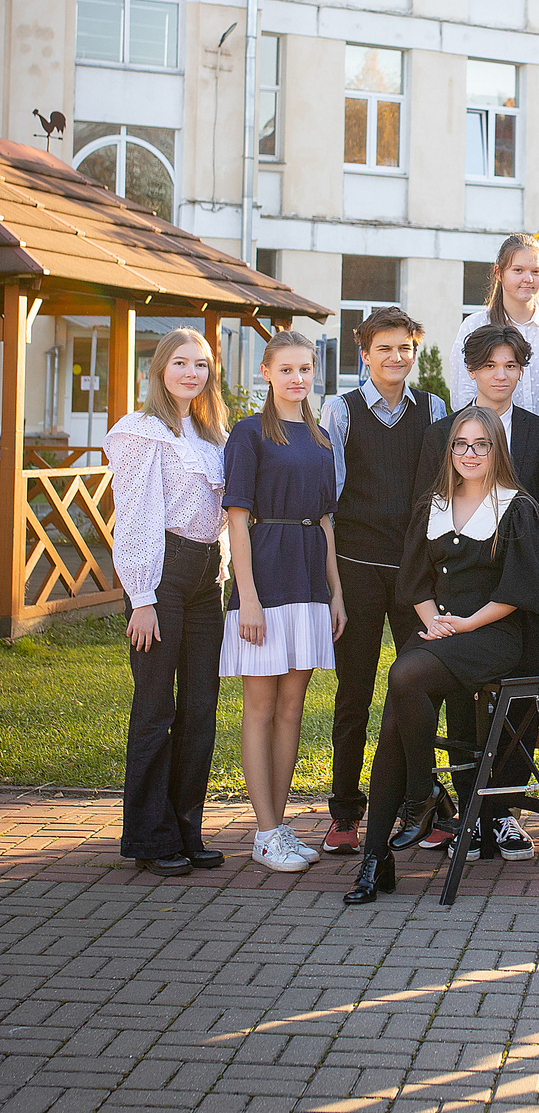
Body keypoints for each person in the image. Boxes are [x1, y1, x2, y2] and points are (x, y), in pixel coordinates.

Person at [341, 406, 539, 905]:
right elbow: (414, 579)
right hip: (442, 630)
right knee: (396, 715)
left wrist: (464, 623)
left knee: (404, 676)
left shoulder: (516, 507)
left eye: (481, 445)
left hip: (493, 634)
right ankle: (379, 854)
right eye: (460, 444)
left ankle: (421, 797)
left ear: (497, 450)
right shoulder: (432, 505)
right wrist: (433, 619)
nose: (469, 453)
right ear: (449, 449)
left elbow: (520, 591)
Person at [315, 306, 447, 856]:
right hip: (357, 570)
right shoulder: (340, 410)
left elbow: (440, 493)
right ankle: (345, 813)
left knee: (418, 693)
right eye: (385, 348)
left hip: (415, 575)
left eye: (405, 348)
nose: (397, 357)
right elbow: (328, 499)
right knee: (354, 694)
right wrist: (333, 587)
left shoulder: (433, 408)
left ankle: (421, 806)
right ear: (364, 353)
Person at [104, 329, 231, 875]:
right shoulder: (141, 431)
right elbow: (134, 515)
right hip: (163, 575)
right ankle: (150, 838)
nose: (191, 373)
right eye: (180, 363)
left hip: (207, 578)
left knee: (201, 707)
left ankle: (186, 829)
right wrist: (141, 596)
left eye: (200, 365)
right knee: (156, 706)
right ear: (159, 369)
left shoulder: (213, 435)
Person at [219, 330, 345, 873]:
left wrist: (336, 593)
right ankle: (265, 830)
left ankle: (281, 824)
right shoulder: (248, 434)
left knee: (292, 709)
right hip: (265, 580)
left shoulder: (321, 439)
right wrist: (247, 597)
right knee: (261, 707)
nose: (297, 379)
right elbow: (237, 520)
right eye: (287, 369)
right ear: (266, 372)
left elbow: (326, 522)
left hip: (309, 582)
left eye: (305, 370)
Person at [439, 322, 539, 863]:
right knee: (461, 706)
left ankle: (504, 813)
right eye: (489, 366)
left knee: (519, 705)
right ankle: (468, 812)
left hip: (520, 599)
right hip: (460, 599)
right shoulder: (445, 433)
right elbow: (431, 514)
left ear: (522, 372)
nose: (500, 376)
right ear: (472, 371)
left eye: (510, 366)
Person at [448, 233, 539, 421]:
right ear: (498, 273)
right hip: (489, 435)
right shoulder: (474, 326)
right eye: (518, 270)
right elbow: (463, 397)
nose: (528, 278)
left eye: (536, 271)